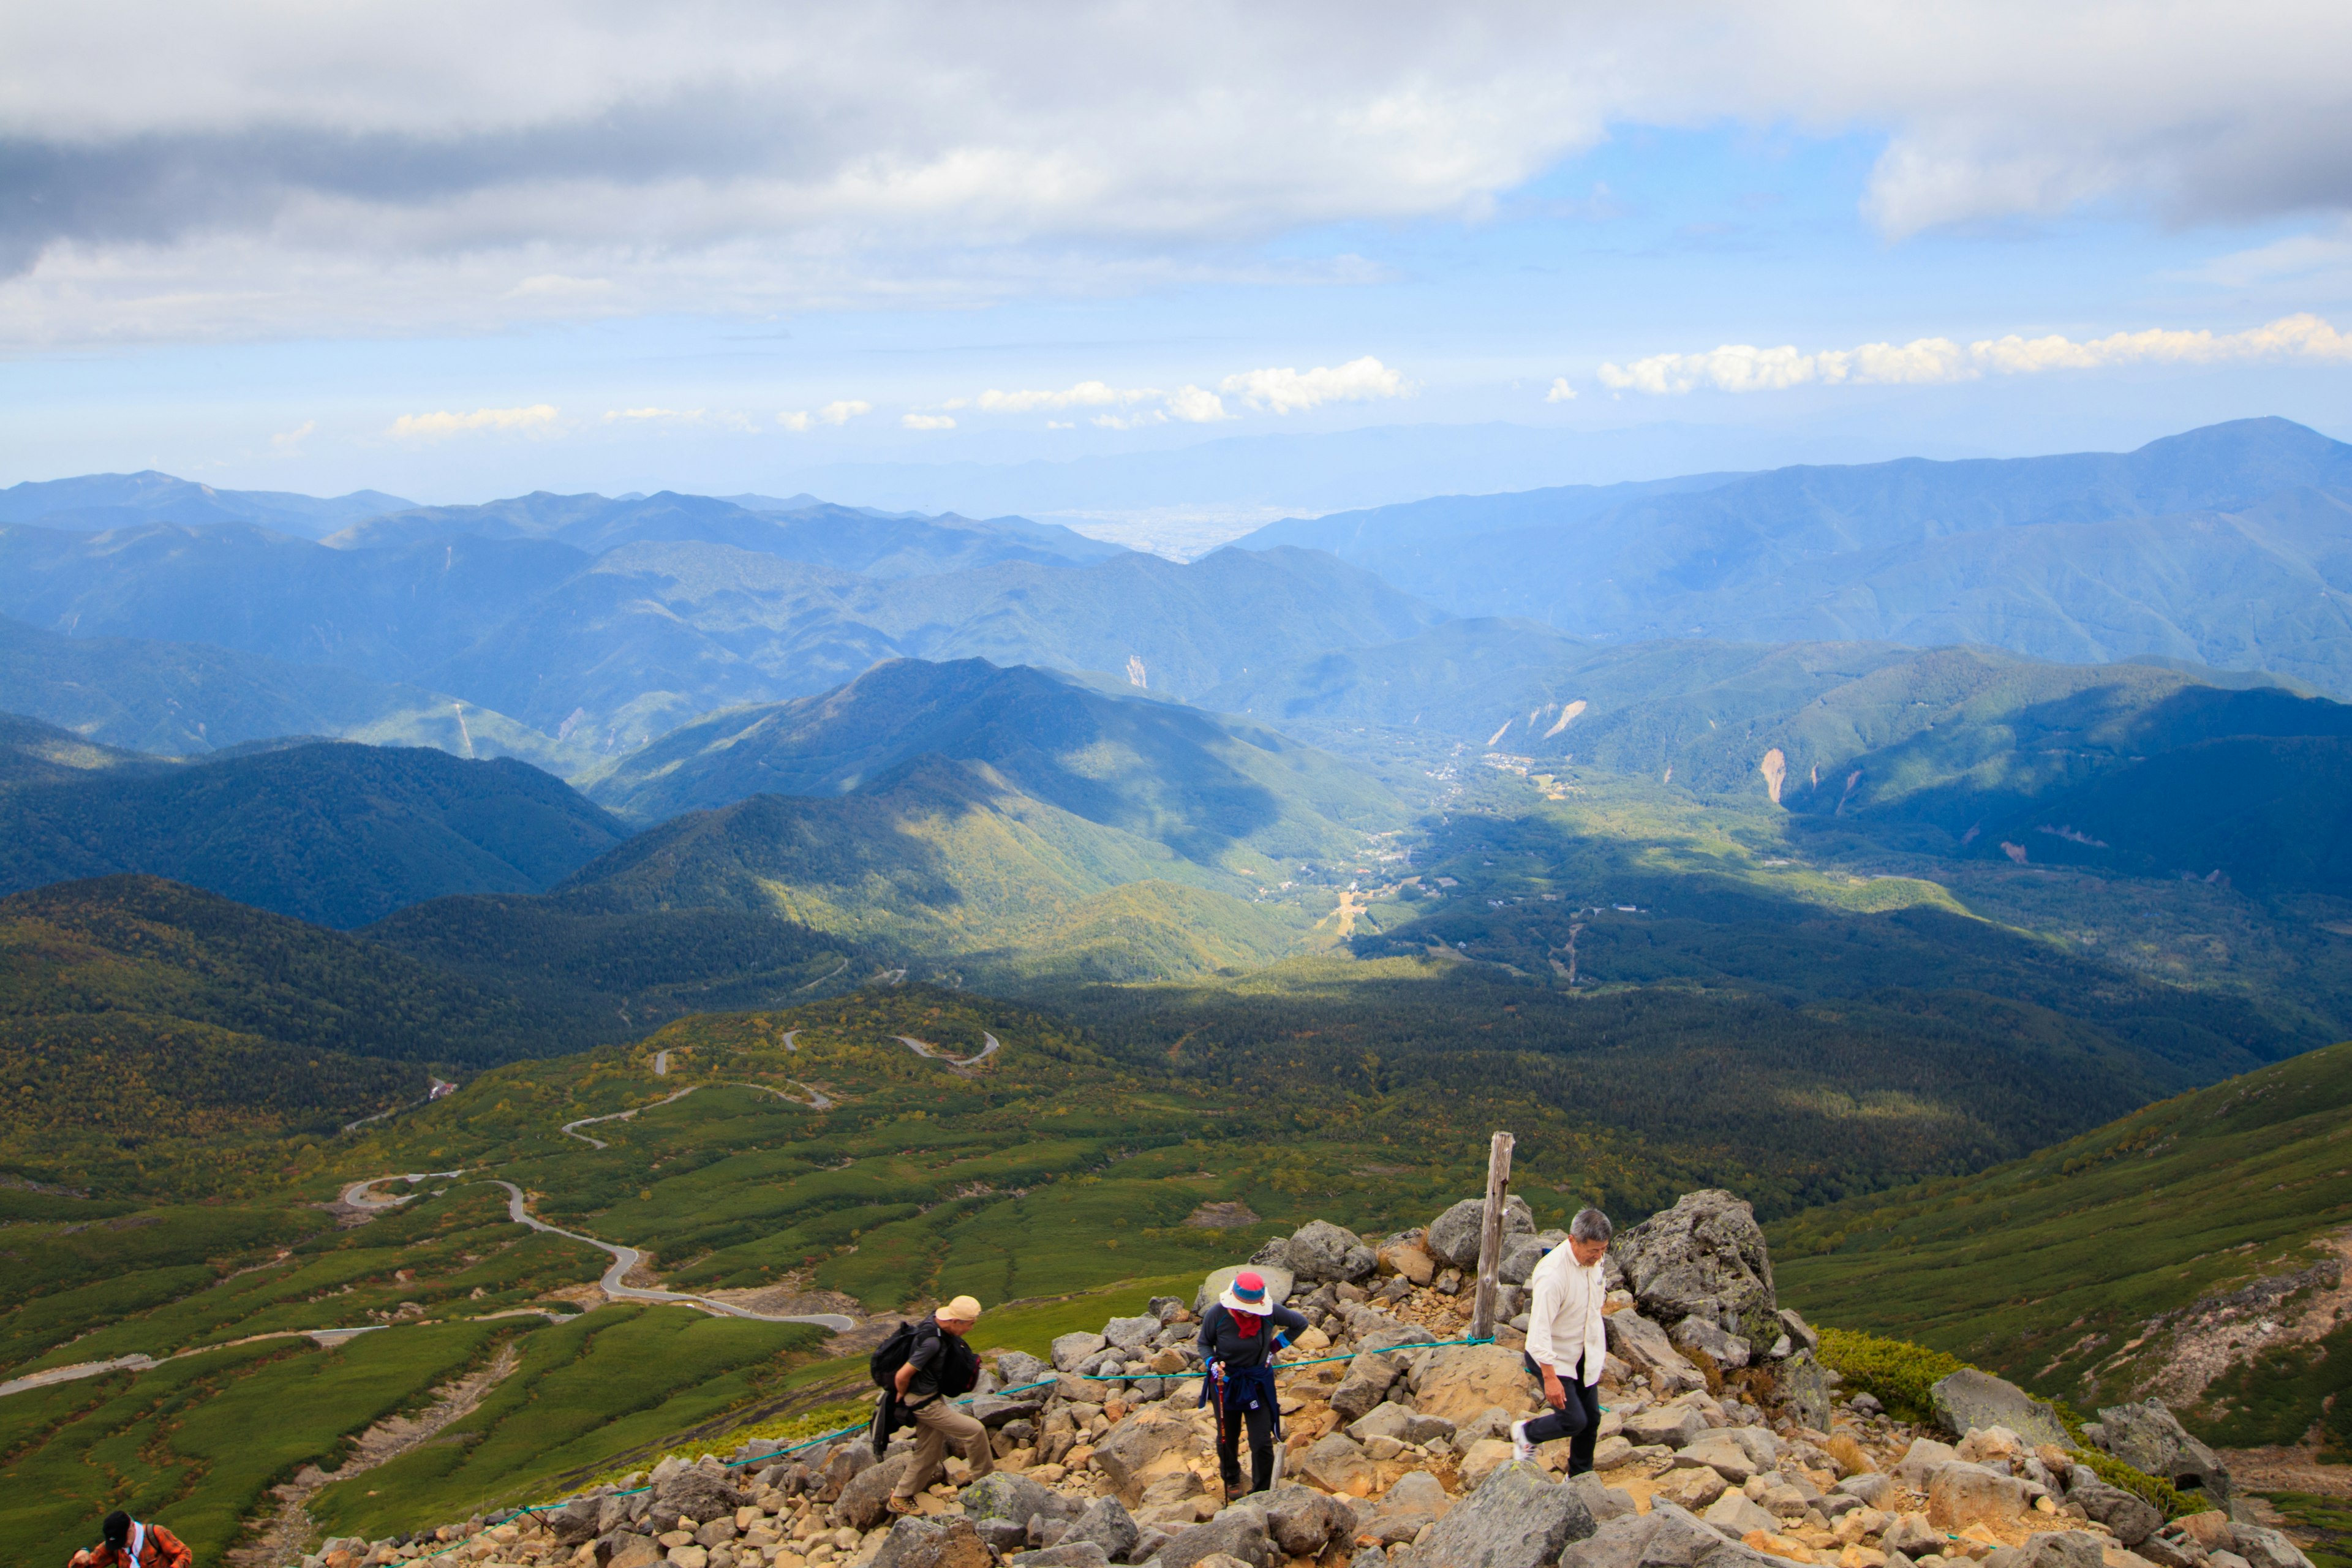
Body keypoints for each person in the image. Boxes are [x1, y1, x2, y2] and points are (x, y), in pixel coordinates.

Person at [1512, 1207, 1613, 1474]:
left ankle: (1580, 1476)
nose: (1599, 1256)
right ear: (1572, 1240)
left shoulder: (1595, 1260)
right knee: (1574, 1420)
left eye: (1603, 1250)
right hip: (1553, 1356)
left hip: (1583, 1352)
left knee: (1591, 1419)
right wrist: (1550, 1377)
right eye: (1594, 1250)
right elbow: (1539, 1330)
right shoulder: (1553, 1275)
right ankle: (1526, 1433)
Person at [1196, 1268, 1308, 1498]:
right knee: (1228, 1436)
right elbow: (1204, 1343)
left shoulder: (1269, 1313)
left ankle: (1262, 1492)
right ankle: (1231, 1479)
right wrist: (1211, 1362)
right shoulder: (1217, 1315)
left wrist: (1275, 1347)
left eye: (1253, 1309)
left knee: (1261, 1442)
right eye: (1245, 1309)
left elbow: (1300, 1323)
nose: (1249, 1314)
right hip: (1226, 1383)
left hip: (1257, 1382)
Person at [886, 1294, 993, 1515]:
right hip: (925, 1404)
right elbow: (903, 1375)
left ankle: (900, 1497)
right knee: (975, 1431)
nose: (971, 1329)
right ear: (955, 1322)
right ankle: (989, 1485)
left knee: (929, 1452)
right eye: (970, 1324)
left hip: (930, 1398)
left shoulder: (935, 1321)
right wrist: (902, 1397)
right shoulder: (932, 1342)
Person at [69, 1511, 192, 1568]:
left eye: (124, 1539)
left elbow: (185, 1553)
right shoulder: (115, 1545)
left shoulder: (155, 1534)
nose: (122, 1545)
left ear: (132, 1527)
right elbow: (90, 1563)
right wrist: (80, 1554)